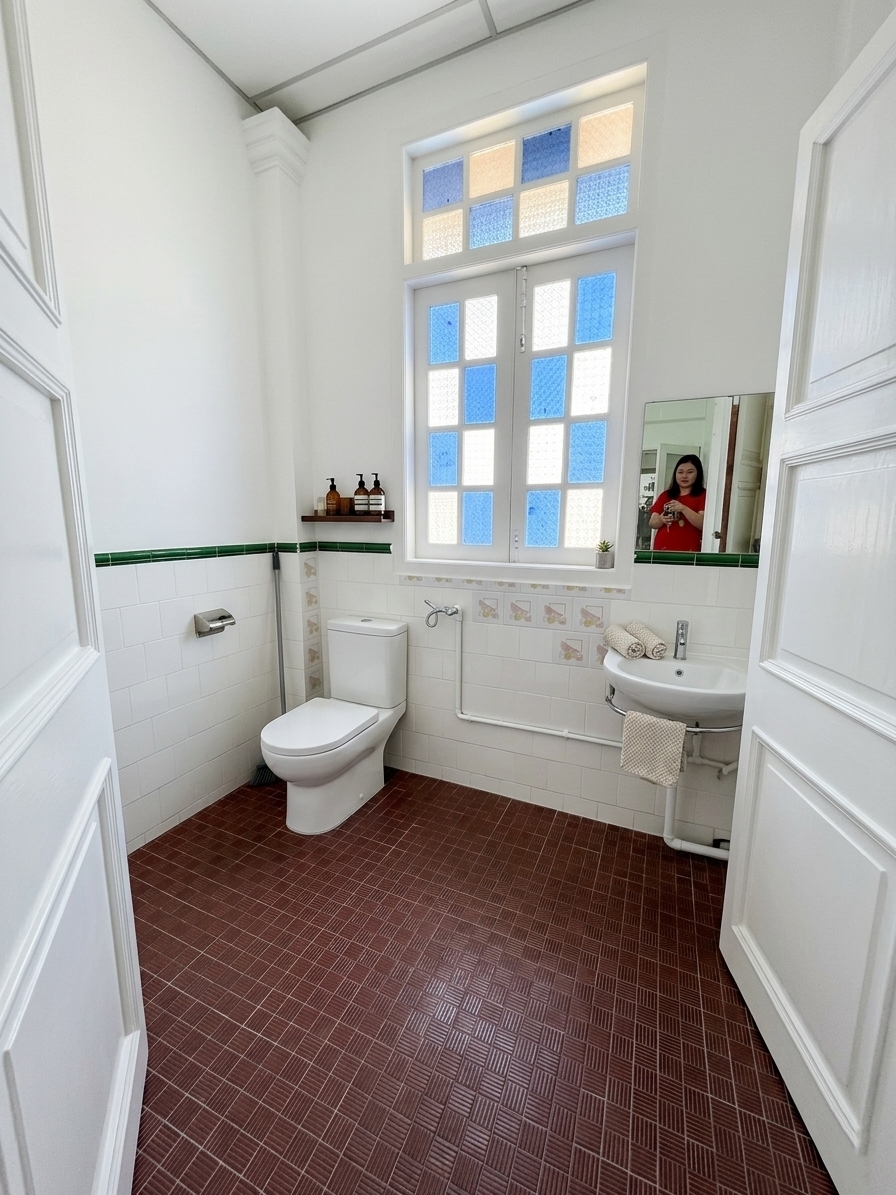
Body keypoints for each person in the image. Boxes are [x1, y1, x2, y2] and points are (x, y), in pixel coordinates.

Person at [649, 454, 706, 551]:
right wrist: (661, 519)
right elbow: (652, 523)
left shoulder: (703, 495)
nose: (684, 476)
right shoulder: (666, 495)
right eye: (680, 472)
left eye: (690, 472)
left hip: (689, 550)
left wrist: (683, 508)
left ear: (698, 474)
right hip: (662, 548)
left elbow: (702, 524)